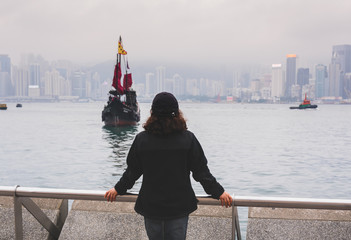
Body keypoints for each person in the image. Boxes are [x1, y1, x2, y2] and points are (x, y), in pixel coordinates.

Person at [105, 92, 232, 240]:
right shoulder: (188, 139)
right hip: (179, 207)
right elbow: (201, 172)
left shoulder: (142, 140)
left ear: (152, 112)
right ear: (177, 113)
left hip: (151, 206)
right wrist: (219, 192)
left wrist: (117, 189)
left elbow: (132, 172)